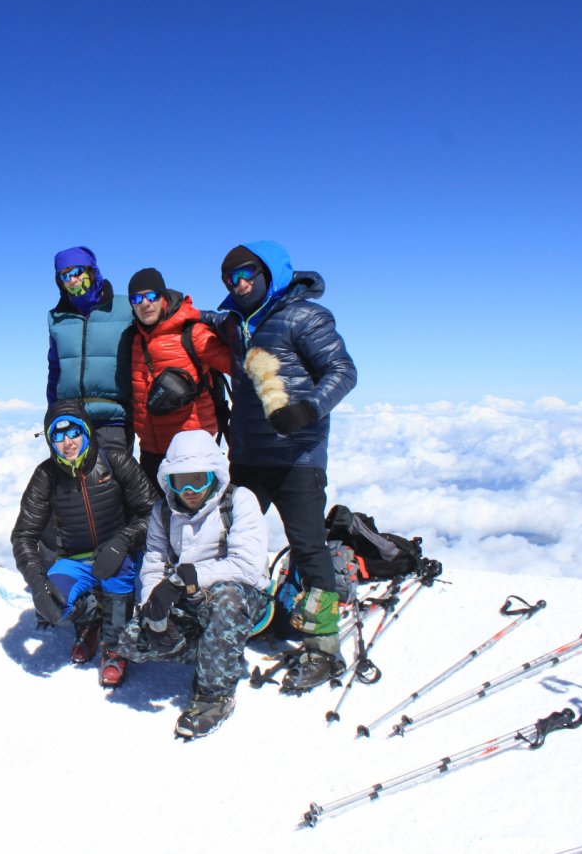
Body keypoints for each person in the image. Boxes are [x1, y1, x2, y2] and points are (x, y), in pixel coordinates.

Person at [208, 241, 357, 693]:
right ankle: (241, 621)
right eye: (231, 278)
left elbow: (343, 371)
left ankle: (323, 644)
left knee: (309, 547)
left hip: (298, 455)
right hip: (249, 454)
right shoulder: (234, 320)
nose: (240, 283)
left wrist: (308, 410)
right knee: (231, 541)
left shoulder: (305, 316)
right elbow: (202, 319)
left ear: (270, 272)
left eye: (248, 273)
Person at [120, 430, 269, 739]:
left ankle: (214, 696)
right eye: (179, 480)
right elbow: (154, 563)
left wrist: (180, 580)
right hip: (189, 600)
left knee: (227, 599)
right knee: (131, 640)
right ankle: (220, 650)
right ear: (168, 480)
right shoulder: (163, 512)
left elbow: (247, 567)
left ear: (214, 475)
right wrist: (152, 608)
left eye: (198, 479)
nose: (189, 489)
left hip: (241, 598)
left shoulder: (239, 501)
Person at [11, 401, 155, 687]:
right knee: (51, 605)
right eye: (58, 436)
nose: (68, 443)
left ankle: (114, 647)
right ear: (50, 440)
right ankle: (89, 621)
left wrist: (123, 540)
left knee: (119, 570)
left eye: (74, 432)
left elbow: (152, 512)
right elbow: (23, 535)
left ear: (87, 431)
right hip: (73, 561)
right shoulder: (46, 476)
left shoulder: (115, 460)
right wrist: (39, 587)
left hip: (118, 552)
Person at [125, 267, 233, 483]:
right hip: (150, 452)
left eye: (151, 296)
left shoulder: (192, 333)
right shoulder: (134, 339)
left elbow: (239, 368)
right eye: (136, 298)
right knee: (154, 516)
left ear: (163, 297)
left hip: (192, 453)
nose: (145, 303)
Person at [46, 247, 135, 454]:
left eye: (77, 271)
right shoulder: (56, 318)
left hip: (114, 419)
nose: (72, 280)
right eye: (64, 275)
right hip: (70, 419)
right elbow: (55, 369)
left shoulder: (125, 309)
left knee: (112, 481)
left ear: (91, 271)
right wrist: (52, 412)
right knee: (75, 484)